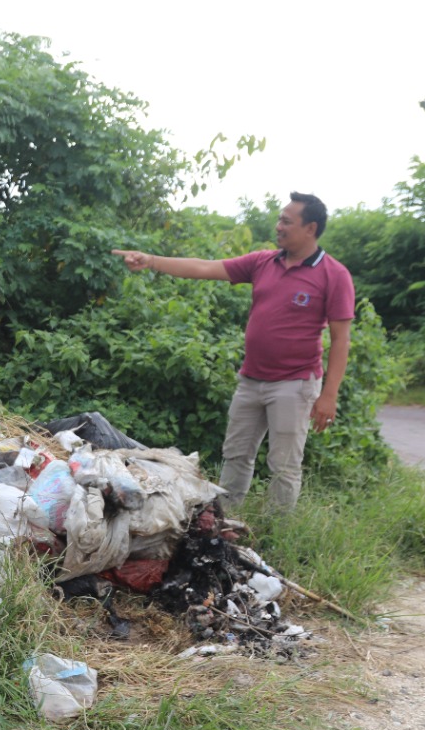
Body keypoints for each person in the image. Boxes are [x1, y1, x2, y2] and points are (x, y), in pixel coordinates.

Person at [111, 192, 354, 511]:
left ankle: (277, 534)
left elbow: (341, 340)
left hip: (295, 384)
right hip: (251, 380)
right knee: (236, 455)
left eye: (286, 221)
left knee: (284, 464)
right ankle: (225, 523)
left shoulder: (333, 275)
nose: (278, 225)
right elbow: (203, 267)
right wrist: (152, 261)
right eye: (279, 218)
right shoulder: (263, 261)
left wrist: (329, 395)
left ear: (310, 228)